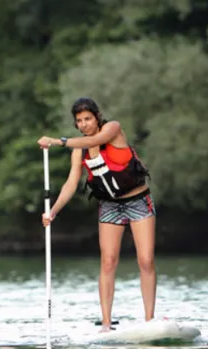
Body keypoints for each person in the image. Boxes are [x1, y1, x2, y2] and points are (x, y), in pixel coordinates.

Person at [38, 97, 156, 332]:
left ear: (97, 117)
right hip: (110, 206)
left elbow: (97, 139)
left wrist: (57, 141)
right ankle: (105, 323)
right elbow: (71, 184)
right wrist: (52, 212)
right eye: (79, 121)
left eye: (87, 119)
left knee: (145, 260)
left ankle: (149, 321)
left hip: (138, 201)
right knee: (108, 261)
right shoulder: (79, 151)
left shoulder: (112, 129)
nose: (84, 124)